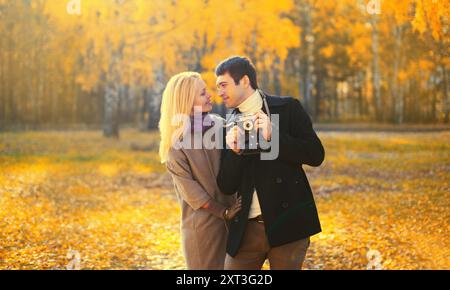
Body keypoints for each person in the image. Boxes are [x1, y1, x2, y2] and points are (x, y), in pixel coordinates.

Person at [215, 56, 325, 270]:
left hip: (288, 225)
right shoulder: (228, 125)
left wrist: (274, 136)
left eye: (223, 85)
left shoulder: (287, 108)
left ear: (244, 81)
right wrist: (235, 152)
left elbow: (315, 155)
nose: (219, 92)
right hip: (246, 230)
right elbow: (226, 185)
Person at [159, 71, 242, 269]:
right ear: (187, 100)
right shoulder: (175, 145)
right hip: (203, 228)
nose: (210, 95)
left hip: (236, 221)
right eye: (203, 93)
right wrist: (223, 211)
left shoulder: (222, 125)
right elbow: (191, 192)